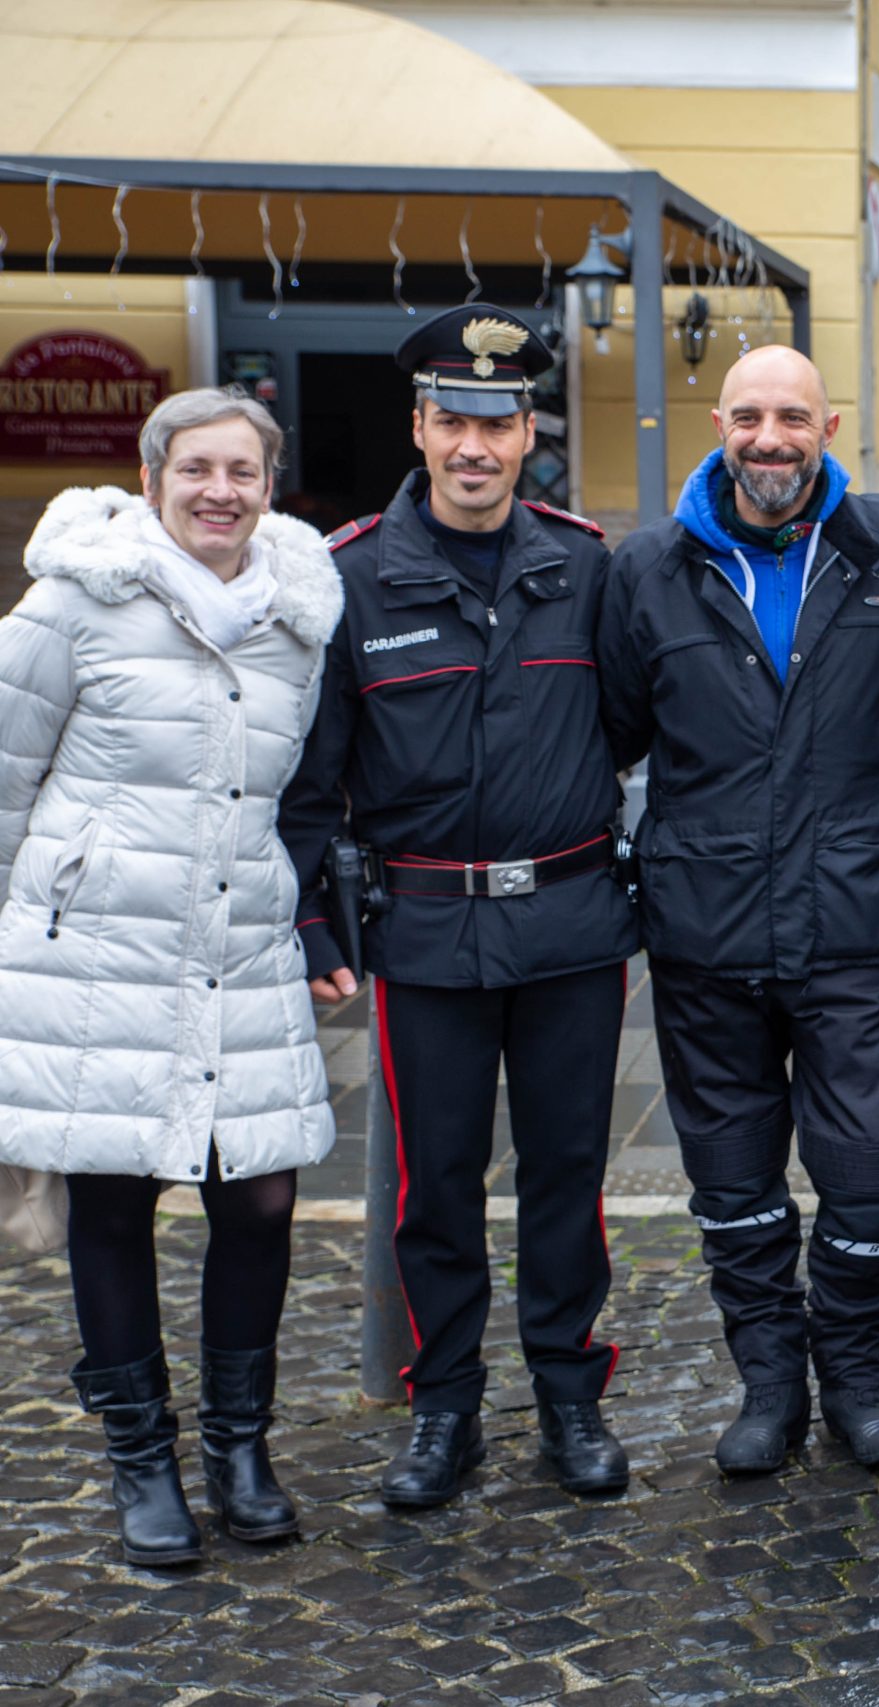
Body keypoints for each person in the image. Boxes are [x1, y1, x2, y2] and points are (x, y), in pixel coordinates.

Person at [280, 305, 636, 1510]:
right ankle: (445, 1412)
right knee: (434, 1184)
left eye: (500, 421)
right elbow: (313, 776)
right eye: (454, 422)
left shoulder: (588, 567)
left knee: (567, 1175)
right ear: (420, 426)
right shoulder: (351, 577)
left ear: (529, 429)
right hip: (424, 934)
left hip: (573, 926)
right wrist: (315, 924)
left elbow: (640, 726)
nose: (477, 446)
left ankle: (569, 1396)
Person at [599, 345, 879, 1478]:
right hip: (700, 923)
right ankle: (770, 1384)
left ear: (831, 423)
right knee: (729, 1164)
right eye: (750, 416)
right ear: (719, 422)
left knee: (869, 1164)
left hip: (850, 917)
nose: (771, 438)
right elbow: (618, 727)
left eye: (794, 417)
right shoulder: (649, 569)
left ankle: (855, 1377)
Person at [0, 389, 341, 1565]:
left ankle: (239, 1449)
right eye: (196, 469)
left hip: (240, 940)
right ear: (152, 478)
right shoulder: (74, 601)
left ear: (268, 486)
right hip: (99, 949)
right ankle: (142, 1463)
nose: (219, 492)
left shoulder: (299, 619)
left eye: (242, 472)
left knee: (259, 1195)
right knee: (116, 1196)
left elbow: (303, 791)